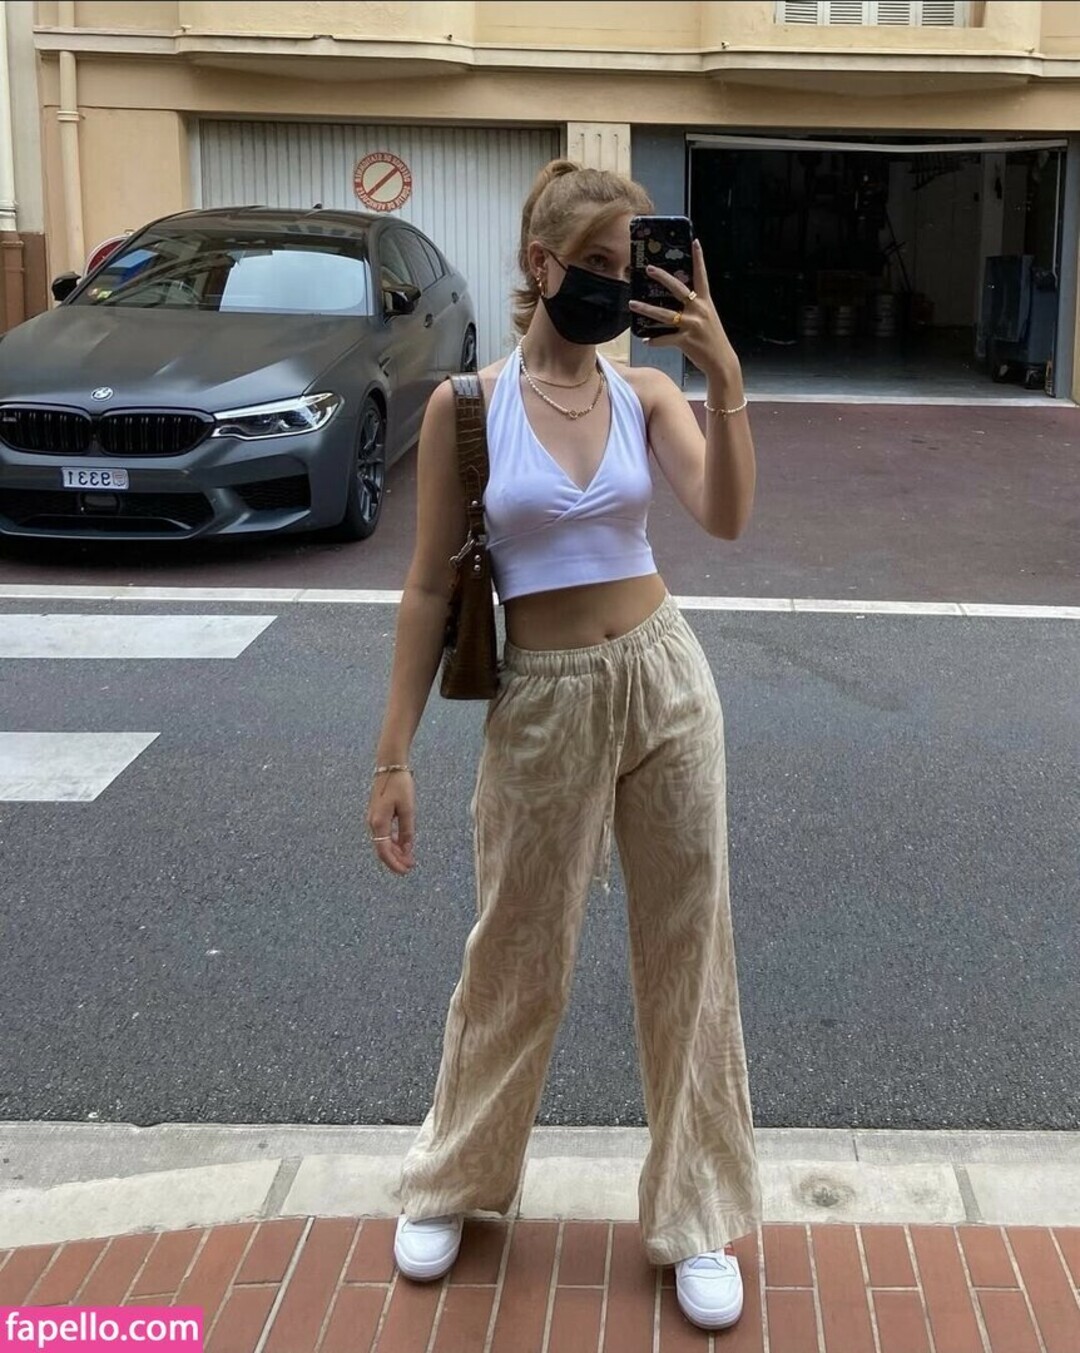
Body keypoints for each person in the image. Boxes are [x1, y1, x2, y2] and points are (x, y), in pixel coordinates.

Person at [366, 159, 762, 1332]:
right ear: (541, 266)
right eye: (595, 264)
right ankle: (455, 1179)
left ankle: (695, 1210)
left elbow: (726, 515)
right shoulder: (468, 408)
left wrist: (725, 379)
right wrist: (393, 755)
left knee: (689, 951)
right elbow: (426, 587)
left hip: (665, 682)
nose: (617, 286)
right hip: (541, 697)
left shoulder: (645, 395)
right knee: (516, 949)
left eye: (632, 266)